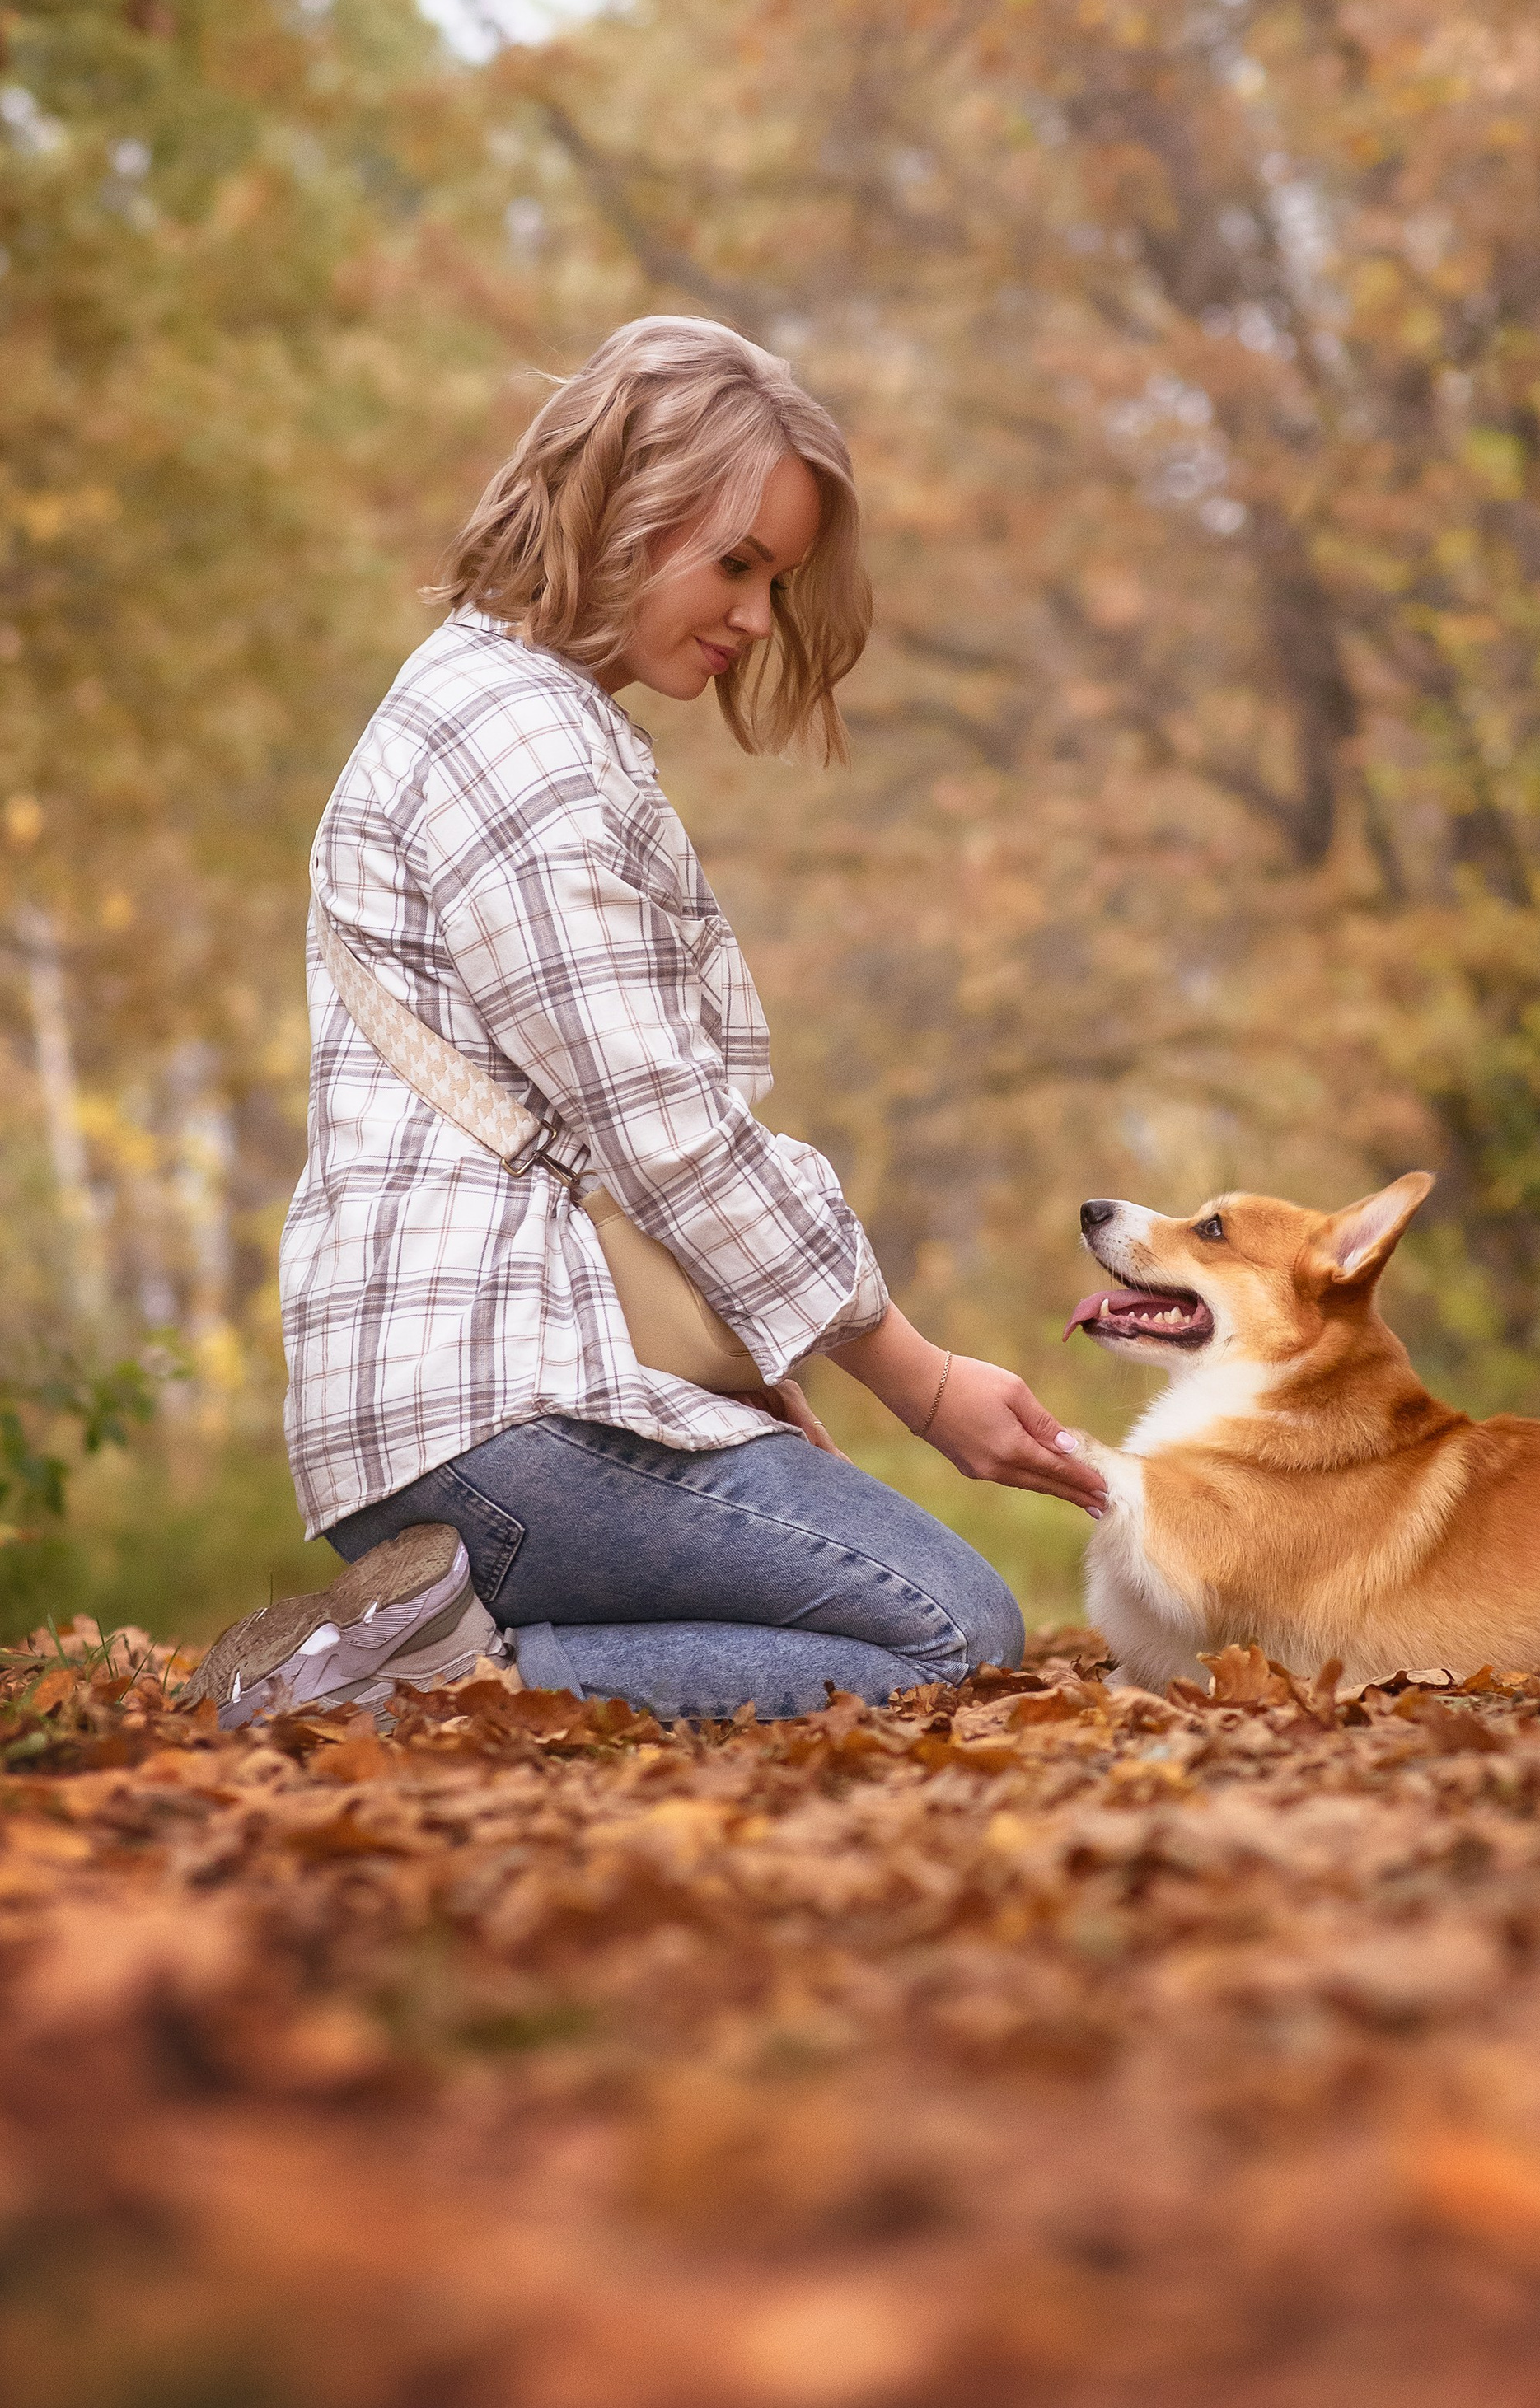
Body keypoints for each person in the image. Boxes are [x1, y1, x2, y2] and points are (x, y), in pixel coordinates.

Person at [183, 316, 1105, 1728]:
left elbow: (612, 1123)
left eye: (776, 579)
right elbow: (660, 1122)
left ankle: (436, 1654)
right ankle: (416, 1689)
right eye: (735, 562)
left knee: (907, 1606)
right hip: (495, 1406)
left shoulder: (510, 712)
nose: (753, 616)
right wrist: (915, 1381)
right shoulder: (515, 738)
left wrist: (752, 1379)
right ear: (620, 504)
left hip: (506, 1392)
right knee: (946, 1630)